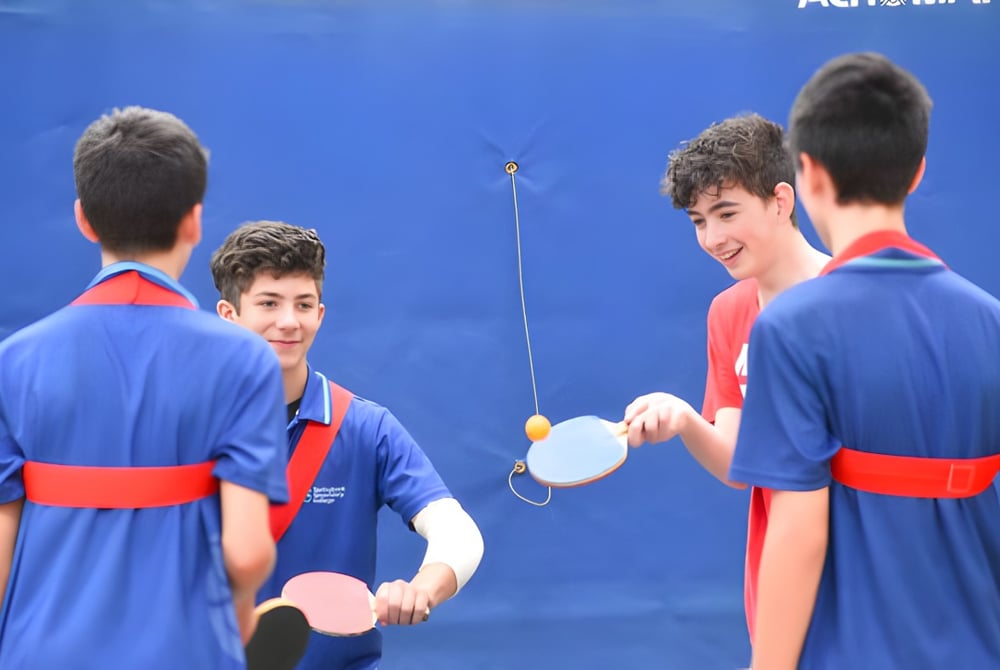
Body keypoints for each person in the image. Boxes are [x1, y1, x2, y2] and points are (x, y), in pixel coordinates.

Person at [730, 52, 1000, 669]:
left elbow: (799, 531)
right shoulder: (991, 319)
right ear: (917, 172)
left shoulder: (792, 327)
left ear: (808, 176)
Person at [0, 107, 288, 669]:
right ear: (194, 221)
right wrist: (241, 613)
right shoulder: (244, 360)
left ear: (84, 219)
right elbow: (248, 551)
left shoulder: (12, 362)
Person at [210, 220, 485, 670]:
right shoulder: (186, 427)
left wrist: (423, 587)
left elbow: (457, 531)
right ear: (229, 315)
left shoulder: (366, 427)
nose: (288, 321)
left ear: (320, 313)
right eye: (268, 303)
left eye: (304, 304)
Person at [622, 113, 828, 642]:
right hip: (775, 574)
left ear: (781, 201)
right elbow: (741, 465)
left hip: (861, 573)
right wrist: (688, 421)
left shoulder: (853, 296)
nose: (713, 238)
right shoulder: (728, 312)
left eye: (726, 212)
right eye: (698, 221)